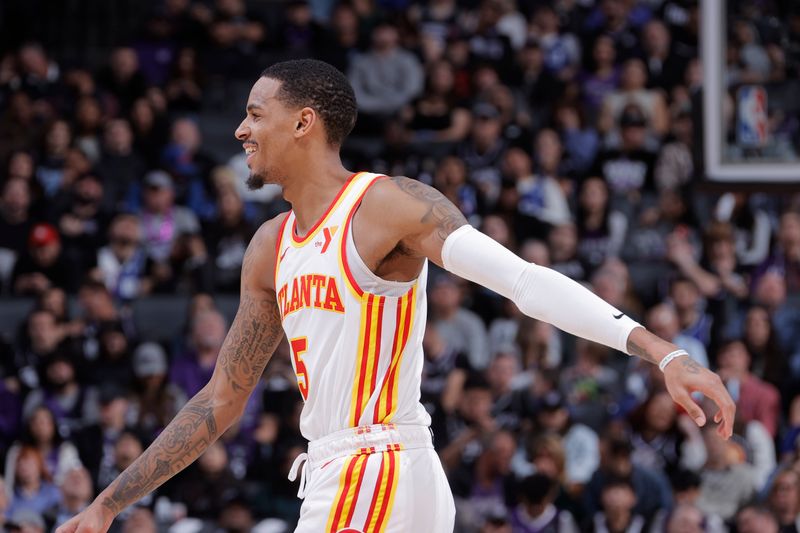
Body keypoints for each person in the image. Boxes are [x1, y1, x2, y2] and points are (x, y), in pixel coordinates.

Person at [57, 58, 735, 533]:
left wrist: (663, 353)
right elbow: (219, 400)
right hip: (336, 469)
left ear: (304, 122)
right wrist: (109, 504)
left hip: (379, 463)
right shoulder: (270, 244)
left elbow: (523, 279)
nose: (240, 129)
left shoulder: (386, 206)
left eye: (255, 113)